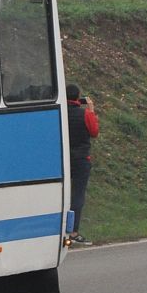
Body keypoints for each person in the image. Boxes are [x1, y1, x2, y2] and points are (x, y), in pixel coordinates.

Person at [66, 83, 99, 245]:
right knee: (77, 195)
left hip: (63, 158)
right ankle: (73, 231)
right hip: (80, 159)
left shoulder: (60, 113)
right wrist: (91, 110)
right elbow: (94, 132)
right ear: (78, 97)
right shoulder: (84, 114)